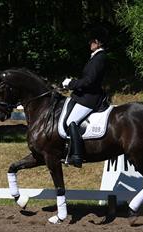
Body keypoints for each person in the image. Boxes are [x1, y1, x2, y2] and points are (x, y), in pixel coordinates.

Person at [62, 27, 108, 168]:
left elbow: (90, 81)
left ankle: (77, 155)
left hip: (90, 98)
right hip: (84, 95)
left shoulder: (100, 58)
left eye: (92, 41)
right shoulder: (95, 57)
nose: (90, 44)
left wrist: (72, 83)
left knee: (71, 121)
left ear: (98, 42)